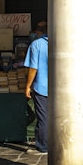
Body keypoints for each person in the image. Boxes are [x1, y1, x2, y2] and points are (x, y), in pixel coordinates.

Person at [24, 21, 49, 155]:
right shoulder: (61, 41)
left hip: (42, 87)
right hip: (60, 87)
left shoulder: (36, 45)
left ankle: (43, 147)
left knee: (43, 117)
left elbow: (33, 68)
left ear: (38, 32)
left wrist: (28, 86)